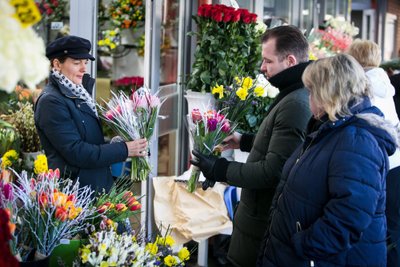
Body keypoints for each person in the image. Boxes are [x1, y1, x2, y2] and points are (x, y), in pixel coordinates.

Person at [258, 54, 398, 267]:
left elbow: (348, 217)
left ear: (328, 94)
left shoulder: (356, 141)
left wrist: (302, 245)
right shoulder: (329, 129)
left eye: (312, 91)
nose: (309, 97)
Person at [191, 25, 312, 267]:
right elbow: (281, 142)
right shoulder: (293, 93)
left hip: (262, 221)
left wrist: (220, 169)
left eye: (268, 61)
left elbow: (272, 171)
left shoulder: (296, 102)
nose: (262, 67)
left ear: (290, 60)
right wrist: (244, 140)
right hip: (259, 217)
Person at [34, 35, 148, 192]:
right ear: (57, 64)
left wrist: (117, 143)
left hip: (94, 187)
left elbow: (90, 141)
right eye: (76, 63)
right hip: (75, 195)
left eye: (85, 63)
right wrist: (124, 149)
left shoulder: (78, 93)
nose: (83, 68)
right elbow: (77, 152)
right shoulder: (51, 102)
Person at [348, 39, 400, 267]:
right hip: (396, 161)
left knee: (378, 225)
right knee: (394, 224)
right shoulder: (384, 82)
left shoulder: (362, 85)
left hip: (379, 163)